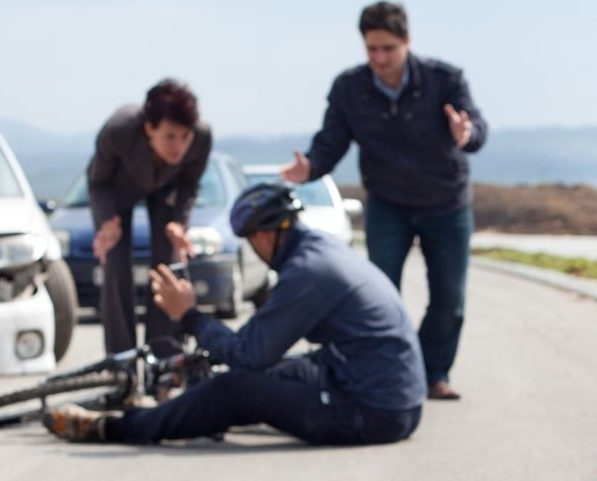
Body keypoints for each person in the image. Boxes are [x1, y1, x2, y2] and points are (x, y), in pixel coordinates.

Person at [43, 184, 426, 446]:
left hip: (373, 412)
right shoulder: (320, 251)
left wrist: (189, 316)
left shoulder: (308, 273)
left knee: (234, 388)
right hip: (387, 394)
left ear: (264, 236)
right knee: (258, 374)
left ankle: (114, 428)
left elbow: (250, 352)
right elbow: (262, 350)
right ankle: (174, 410)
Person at [281, 0, 487, 401]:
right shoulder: (349, 88)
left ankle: (432, 374)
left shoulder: (444, 79)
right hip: (388, 204)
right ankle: (388, 371)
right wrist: (311, 168)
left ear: (407, 41)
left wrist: (467, 134)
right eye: (371, 49)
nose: (379, 58)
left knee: (449, 297)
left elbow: (477, 127)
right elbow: (330, 144)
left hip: (446, 202)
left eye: (388, 49)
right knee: (379, 295)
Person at [87, 79, 212, 356]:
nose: (179, 146)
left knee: (166, 266)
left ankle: (165, 359)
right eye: (170, 136)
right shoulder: (119, 130)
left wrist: (179, 223)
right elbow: (98, 182)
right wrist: (107, 221)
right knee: (116, 263)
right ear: (148, 129)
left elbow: (190, 184)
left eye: (185, 136)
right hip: (120, 190)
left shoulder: (201, 137)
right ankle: (123, 364)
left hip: (166, 191)